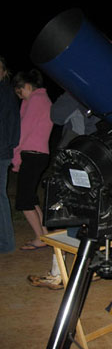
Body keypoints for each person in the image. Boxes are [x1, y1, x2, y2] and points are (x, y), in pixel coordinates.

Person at [27, 91, 101, 289]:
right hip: (94, 153)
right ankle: (91, 265)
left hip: (75, 154)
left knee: (64, 213)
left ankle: (58, 274)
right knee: (86, 212)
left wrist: (69, 94)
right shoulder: (98, 90)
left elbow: (56, 115)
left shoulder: (75, 91)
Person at [11, 69, 53, 250]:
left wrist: (15, 155)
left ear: (27, 86)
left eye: (20, 92)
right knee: (30, 198)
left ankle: (40, 237)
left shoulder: (37, 100)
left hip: (33, 154)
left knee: (24, 200)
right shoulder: (37, 100)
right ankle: (44, 234)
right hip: (36, 154)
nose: (20, 97)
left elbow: (24, 130)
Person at [0, 56, 20, 253]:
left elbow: (13, 123)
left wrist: (10, 148)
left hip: (1, 152)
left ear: (4, 71)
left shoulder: (6, 92)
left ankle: (6, 243)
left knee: (0, 197)